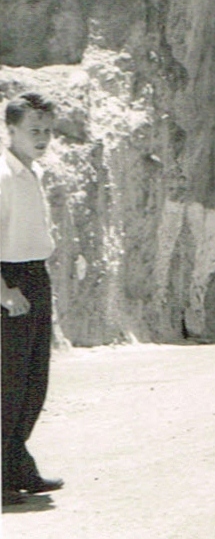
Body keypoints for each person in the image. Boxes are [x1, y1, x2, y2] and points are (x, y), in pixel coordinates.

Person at [1, 92, 64, 506]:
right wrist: (4, 291)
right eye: (33, 130)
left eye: (46, 130)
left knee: (33, 383)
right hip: (10, 280)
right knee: (7, 385)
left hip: (33, 276)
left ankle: (15, 464)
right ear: (11, 130)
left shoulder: (28, 172)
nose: (42, 138)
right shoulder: (3, 175)